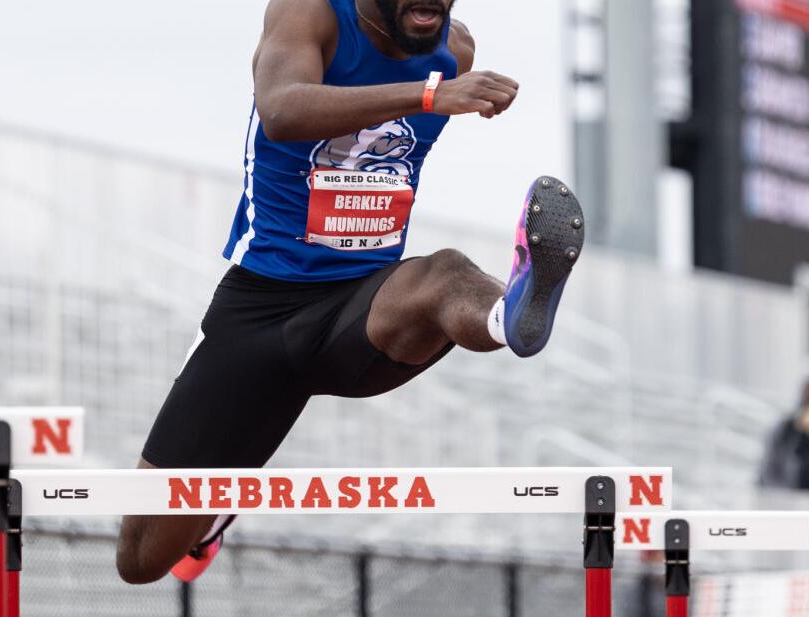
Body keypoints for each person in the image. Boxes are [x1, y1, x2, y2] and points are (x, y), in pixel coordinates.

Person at [115, 0, 586, 585]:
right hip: (260, 312)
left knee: (443, 274)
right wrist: (428, 96)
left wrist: (437, 87)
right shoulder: (307, 16)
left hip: (363, 311)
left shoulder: (454, 51)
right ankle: (214, 513)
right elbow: (282, 109)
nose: (432, 6)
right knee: (140, 560)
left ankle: (507, 311)